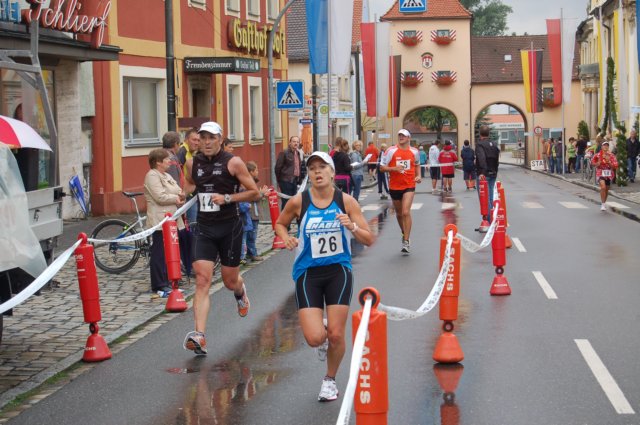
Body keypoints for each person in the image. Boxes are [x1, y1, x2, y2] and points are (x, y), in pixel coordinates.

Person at [274, 151, 375, 402]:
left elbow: (368, 238)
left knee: (337, 335)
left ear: (332, 172)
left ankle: (329, 380)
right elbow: (280, 223)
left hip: (338, 271)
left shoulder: (346, 202)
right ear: (308, 174)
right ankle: (323, 332)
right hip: (307, 273)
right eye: (312, 168)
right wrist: (286, 238)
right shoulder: (299, 201)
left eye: (322, 167)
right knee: (315, 338)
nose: (317, 172)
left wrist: (351, 226)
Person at [182, 121, 261, 355]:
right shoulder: (191, 163)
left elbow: (255, 193)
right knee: (202, 279)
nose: (206, 142)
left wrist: (227, 198)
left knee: (229, 281)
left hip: (230, 228)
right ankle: (199, 335)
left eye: (211, 138)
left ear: (220, 139)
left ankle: (240, 291)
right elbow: (190, 183)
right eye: (203, 138)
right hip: (204, 227)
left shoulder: (233, 162)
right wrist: (182, 194)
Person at [143, 148, 185, 297]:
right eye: (166, 159)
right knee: (159, 253)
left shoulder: (166, 175)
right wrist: (176, 198)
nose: (170, 161)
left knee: (170, 253)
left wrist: (181, 195)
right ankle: (159, 284)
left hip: (172, 219)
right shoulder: (152, 176)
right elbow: (159, 197)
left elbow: (179, 190)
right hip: (159, 220)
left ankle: (168, 281)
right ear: (158, 162)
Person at [380, 129, 421, 254]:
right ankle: (404, 232)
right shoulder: (390, 151)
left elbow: (417, 164)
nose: (401, 137)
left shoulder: (414, 151)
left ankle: (406, 241)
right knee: (398, 214)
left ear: (409, 138)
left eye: (404, 136)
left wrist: (418, 176)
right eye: (399, 135)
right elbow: (381, 168)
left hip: (409, 185)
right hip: (395, 186)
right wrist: (394, 168)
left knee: (405, 212)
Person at [245, 161, 269, 262]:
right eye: (256, 170)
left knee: (252, 234)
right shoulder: (247, 183)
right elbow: (252, 196)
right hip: (251, 213)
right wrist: (262, 193)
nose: (258, 172)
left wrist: (262, 195)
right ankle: (252, 254)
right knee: (251, 235)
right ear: (251, 172)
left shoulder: (252, 182)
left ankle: (250, 253)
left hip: (254, 212)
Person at [475, 125, 500, 219]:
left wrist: (482, 172)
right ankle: (492, 218)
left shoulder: (480, 144)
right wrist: (495, 171)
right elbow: (497, 159)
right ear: (488, 133)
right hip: (493, 173)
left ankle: (489, 220)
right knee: (490, 197)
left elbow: (482, 159)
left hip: (483, 174)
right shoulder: (494, 144)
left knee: (484, 198)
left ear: (480, 133)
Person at [275, 136, 303, 210]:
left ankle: (291, 216)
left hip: (295, 180)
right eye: (294, 141)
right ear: (290, 143)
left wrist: (299, 179)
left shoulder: (298, 153)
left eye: (297, 142)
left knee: (293, 201)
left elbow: (298, 166)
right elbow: (278, 167)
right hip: (285, 181)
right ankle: (284, 217)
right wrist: (280, 180)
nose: (296, 143)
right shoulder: (284, 153)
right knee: (286, 202)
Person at [591, 140, 618, 211]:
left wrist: (609, 162)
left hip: (609, 173)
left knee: (606, 189)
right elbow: (592, 162)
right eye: (604, 145)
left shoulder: (611, 155)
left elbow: (615, 166)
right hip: (600, 172)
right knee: (603, 187)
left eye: (607, 145)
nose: (606, 146)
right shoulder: (597, 155)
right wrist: (597, 163)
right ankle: (602, 204)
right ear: (601, 147)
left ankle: (604, 202)